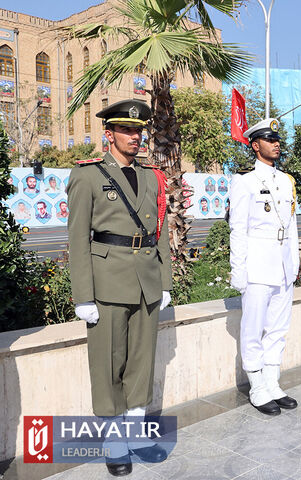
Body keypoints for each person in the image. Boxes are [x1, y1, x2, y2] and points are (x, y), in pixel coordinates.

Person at [67, 99, 172, 476]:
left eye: (139, 130)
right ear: (108, 134)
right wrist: (83, 295)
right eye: (127, 130)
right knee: (109, 362)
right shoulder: (87, 176)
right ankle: (114, 440)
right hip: (107, 281)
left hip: (146, 280)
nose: (136, 136)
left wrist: (166, 280)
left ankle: (136, 432)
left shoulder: (150, 176)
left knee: (141, 361)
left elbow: (159, 232)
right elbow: (78, 238)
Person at [229, 118, 300, 416]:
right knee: (254, 327)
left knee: (278, 328)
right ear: (255, 145)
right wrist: (239, 270)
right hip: (257, 264)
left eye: (278, 139)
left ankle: (272, 382)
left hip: (283, 265)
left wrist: (294, 262)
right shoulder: (243, 180)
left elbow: (292, 225)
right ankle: (257, 386)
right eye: (270, 139)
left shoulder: (286, 181)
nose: (277, 143)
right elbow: (238, 228)